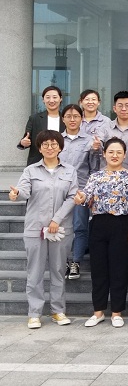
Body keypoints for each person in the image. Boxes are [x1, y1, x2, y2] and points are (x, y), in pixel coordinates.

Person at [9, 130, 77, 329]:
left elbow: (72, 197)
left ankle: (58, 311)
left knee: (58, 270)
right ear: (39, 148)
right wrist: (16, 194)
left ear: (60, 147)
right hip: (35, 228)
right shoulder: (31, 171)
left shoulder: (69, 171)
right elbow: (24, 191)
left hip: (61, 229)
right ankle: (34, 313)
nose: (50, 147)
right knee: (35, 272)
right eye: (45, 144)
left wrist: (56, 220)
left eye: (54, 144)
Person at [75, 137, 128, 328]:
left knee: (119, 269)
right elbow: (86, 198)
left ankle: (117, 312)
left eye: (119, 152)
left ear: (124, 155)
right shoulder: (96, 177)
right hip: (99, 224)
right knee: (98, 269)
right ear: (104, 154)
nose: (114, 155)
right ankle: (98, 312)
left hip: (122, 224)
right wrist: (80, 198)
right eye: (111, 152)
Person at [59, 104, 99, 280]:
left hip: (80, 191)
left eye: (76, 116)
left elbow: (94, 169)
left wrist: (90, 192)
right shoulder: (56, 140)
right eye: (68, 116)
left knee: (80, 226)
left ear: (82, 118)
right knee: (61, 226)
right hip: (59, 190)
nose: (72, 119)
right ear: (63, 119)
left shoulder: (90, 141)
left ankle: (75, 261)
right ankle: (63, 261)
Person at [96, 91, 128, 172]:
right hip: (108, 175)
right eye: (120, 106)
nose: (123, 109)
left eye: (127, 106)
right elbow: (98, 153)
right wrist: (96, 146)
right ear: (114, 108)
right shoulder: (105, 128)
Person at [17, 85, 65, 166]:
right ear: (43, 100)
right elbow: (26, 138)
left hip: (61, 163)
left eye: (54, 97)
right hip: (38, 163)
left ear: (60, 99)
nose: (51, 100)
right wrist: (23, 142)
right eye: (48, 97)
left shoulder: (66, 119)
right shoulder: (34, 118)